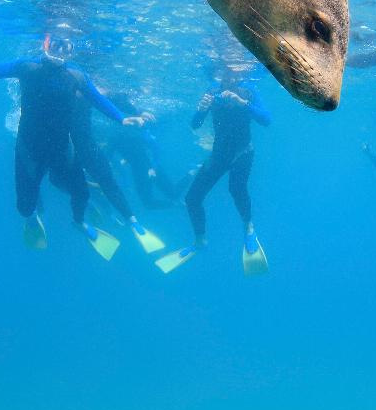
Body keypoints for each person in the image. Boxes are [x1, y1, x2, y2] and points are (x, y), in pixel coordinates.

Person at [0, 33, 145, 256]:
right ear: (46, 44)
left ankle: (79, 222)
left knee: (81, 193)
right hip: (29, 148)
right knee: (24, 206)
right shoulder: (28, 67)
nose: (60, 51)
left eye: (66, 47)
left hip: (61, 148)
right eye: (56, 45)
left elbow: (96, 99)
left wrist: (121, 117)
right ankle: (31, 219)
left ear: (72, 52)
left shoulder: (76, 75)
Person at [156, 65, 271, 275]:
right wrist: (200, 109)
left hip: (243, 152)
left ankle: (249, 229)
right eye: (225, 72)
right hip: (218, 155)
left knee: (236, 190)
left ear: (240, 73)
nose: (230, 76)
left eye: (234, 72)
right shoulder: (212, 91)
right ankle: (200, 241)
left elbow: (266, 120)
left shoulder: (249, 91)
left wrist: (244, 104)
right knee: (192, 198)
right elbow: (195, 124)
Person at [69, 81, 165, 254]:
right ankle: (79, 221)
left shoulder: (86, 87)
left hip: (85, 142)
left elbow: (111, 98)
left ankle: (132, 220)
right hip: (61, 144)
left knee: (107, 179)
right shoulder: (62, 90)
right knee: (74, 185)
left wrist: (136, 113)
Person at [105, 92, 183, 210]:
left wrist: (153, 167)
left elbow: (155, 147)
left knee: (171, 194)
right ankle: (177, 205)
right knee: (153, 201)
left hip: (149, 167)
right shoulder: (115, 136)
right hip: (141, 169)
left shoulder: (131, 131)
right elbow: (108, 158)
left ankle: (193, 172)